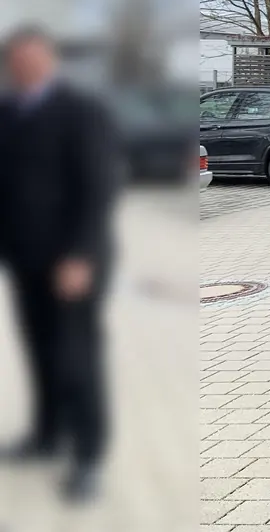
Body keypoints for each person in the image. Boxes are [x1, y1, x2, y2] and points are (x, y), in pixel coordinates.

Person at [0, 27, 117, 502]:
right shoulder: (8, 112)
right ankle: (46, 437)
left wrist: (80, 255)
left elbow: (98, 188)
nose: (25, 67)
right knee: (39, 351)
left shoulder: (81, 111)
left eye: (33, 58)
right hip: (25, 258)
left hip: (73, 261)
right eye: (17, 60)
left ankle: (88, 457)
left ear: (49, 60)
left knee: (76, 358)